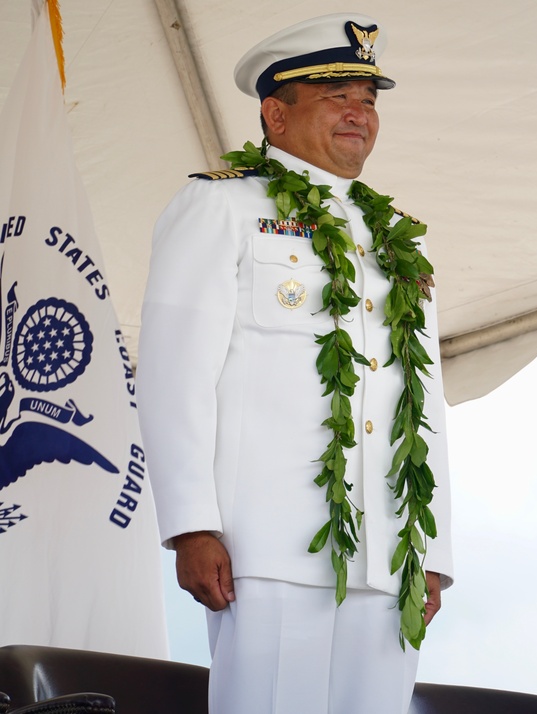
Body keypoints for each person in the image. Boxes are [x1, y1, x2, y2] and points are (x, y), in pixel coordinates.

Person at [137, 13, 452, 714]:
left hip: (388, 551)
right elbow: (172, 374)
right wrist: (191, 523)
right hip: (267, 545)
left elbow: (423, 404)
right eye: (336, 95)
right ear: (274, 114)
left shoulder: (395, 238)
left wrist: (433, 552)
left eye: (368, 100)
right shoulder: (221, 206)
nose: (358, 113)